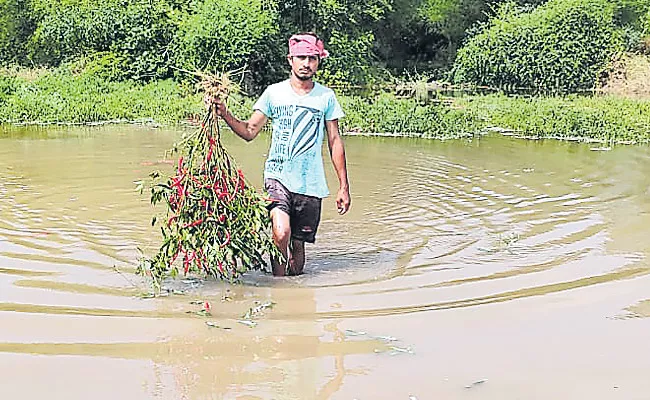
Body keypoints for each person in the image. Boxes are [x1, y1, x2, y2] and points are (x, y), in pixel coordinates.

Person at [206, 32, 351, 276]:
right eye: (301, 57)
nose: (306, 63)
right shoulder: (274, 93)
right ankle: (278, 290)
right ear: (290, 60)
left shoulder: (326, 97)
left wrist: (343, 186)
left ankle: (290, 293)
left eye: (312, 58)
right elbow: (250, 131)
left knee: (297, 249)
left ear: (318, 62)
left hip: (310, 183)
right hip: (278, 176)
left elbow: (335, 141)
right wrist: (225, 114)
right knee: (281, 232)